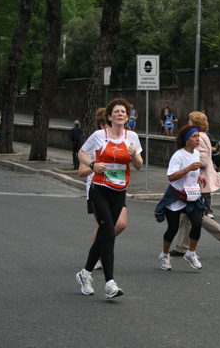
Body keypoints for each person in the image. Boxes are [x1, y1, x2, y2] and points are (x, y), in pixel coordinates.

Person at [75, 99, 143, 299]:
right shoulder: (99, 136)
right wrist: (93, 164)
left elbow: (139, 165)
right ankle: (109, 284)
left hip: (119, 191)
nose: (120, 114)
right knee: (109, 233)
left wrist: (134, 156)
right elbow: (81, 153)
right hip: (100, 189)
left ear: (127, 117)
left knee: (106, 234)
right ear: (110, 116)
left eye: (124, 112)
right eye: (117, 112)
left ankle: (85, 274)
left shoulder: (132, 137)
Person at [169, 112, 220, 258]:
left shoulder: (199, 137)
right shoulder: (202, 136)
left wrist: (190, 163)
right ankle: (181, 247)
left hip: (197, 182)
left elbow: (204, 160)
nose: (188, 122)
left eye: (190, 120)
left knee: (195, 215)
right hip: (196, 181)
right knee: (187, 214)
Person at [78, 108, 128, 271]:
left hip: (117, 187)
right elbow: (81, 172)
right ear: (102, 124)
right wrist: (96, 167)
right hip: (98, 189)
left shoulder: (122, 139)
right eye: (108, 124)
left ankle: (97, 253)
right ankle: (98, 258)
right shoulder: (95, 142)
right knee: (106, 229)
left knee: (121, 224)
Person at [154, 124, 207, 271]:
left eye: (198, 135)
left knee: (197, 223)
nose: (198, 139)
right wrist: (188, 169)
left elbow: (192, 172)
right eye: (194, 136)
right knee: (172, 229)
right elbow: (171, 177)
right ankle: (164, 255)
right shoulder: (178, 155)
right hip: (176, 196)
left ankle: (191, 253)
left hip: (191, 194)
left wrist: (199, 176)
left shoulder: (196, 153)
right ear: (186, 140)